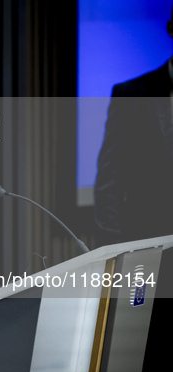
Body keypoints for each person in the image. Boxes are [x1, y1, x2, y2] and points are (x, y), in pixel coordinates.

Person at [94, 10, 173, 247]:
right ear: (171, 29)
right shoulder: (131, 95)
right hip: (147, 246)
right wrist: (114, 252)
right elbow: (109, 182)